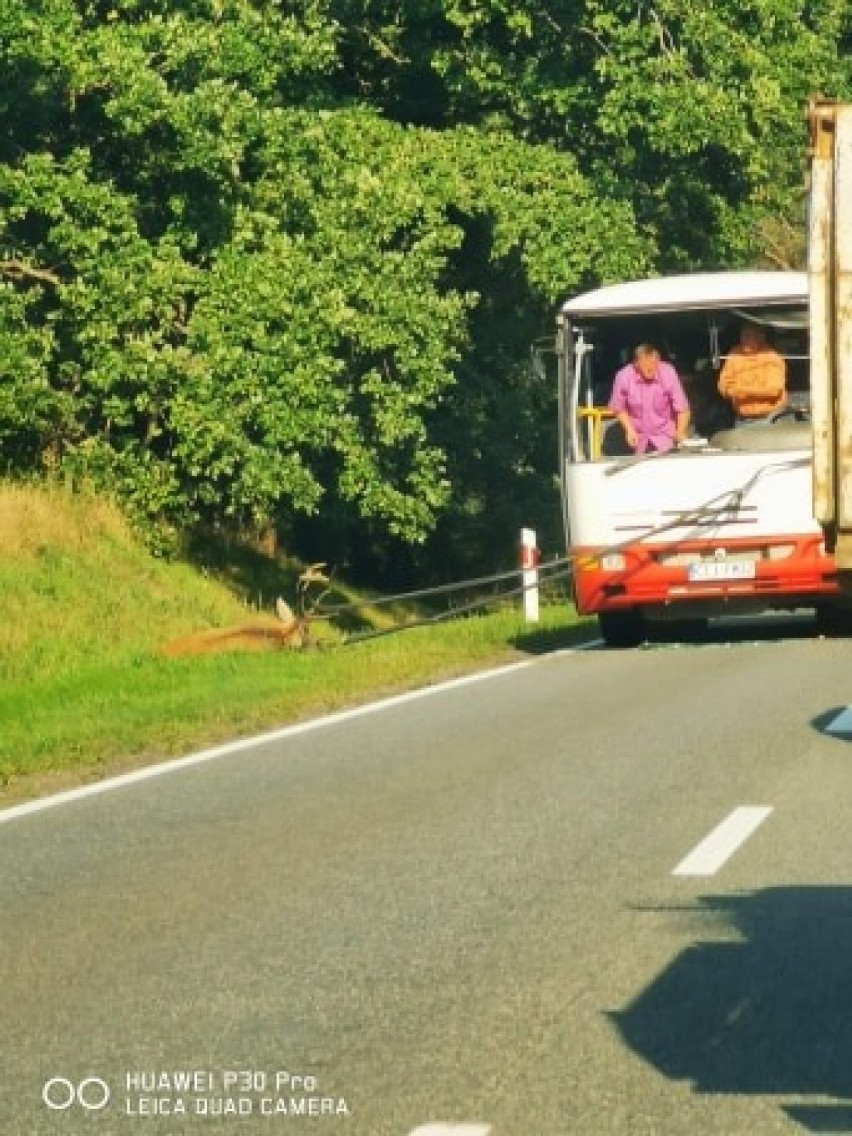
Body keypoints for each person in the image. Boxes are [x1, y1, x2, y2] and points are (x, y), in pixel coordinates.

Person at [607, 343, 690, 454]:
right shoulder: (623, 376)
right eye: (647, 364)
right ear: (636, 364)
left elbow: (683, 409)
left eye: (654, 363)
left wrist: (680, 432)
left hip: (665, 436)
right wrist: (629, 430)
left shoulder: (668, 372)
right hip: (637, 438)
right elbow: (618, 408)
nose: (651, 367)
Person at [717, 322, 787, 424]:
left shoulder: (772, 357)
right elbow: (722, 385)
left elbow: (773, 390)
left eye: (748, 336)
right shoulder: (734, 353)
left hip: (769, 419)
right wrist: (731, 391)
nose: (744, 340)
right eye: (742, 336)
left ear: (761, 337)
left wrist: (741, 391)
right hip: (741, 419)